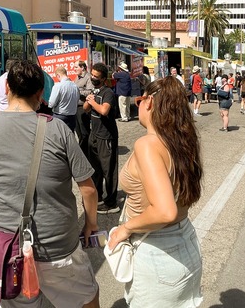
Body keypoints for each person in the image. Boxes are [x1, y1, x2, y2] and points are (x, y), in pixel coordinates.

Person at [0, 59, 101, 308]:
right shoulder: (59, 131)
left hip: (4, 249)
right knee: (87, 299)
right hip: (58, 247)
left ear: (7, 89)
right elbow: (88, 188)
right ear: (40, 93)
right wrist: (91, 224)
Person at [108, 76, 203, 307]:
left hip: (157, 250)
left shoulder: (148, 144)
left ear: (149, 102)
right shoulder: (182, 140)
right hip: (186, 242)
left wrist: (125, 228)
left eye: (139, 99)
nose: (138, 104)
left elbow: (164, 211)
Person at [85, 63, 121, 214]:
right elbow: (86, 109)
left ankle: (111, 203)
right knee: (95, 168)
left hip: (106, 137)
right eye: (92, 75)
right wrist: (88, 101)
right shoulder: (95, 90)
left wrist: (93, 102)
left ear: (103, 78)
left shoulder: (108, 93)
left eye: (96, 76)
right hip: (94, 135)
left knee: (109, 170)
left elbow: (104, 111)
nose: (93, 78)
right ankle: (98, 196)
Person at [48, 66, 79, 131]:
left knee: (58, 137)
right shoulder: (75, 86)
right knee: (70, 137)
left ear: (58, 75)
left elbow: (51, 104)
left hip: (60, 116)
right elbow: (77, 100)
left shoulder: (58, 86)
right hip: (72, 117)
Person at [75, 61, 94, 157]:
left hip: (83, 108)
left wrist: (78, 91)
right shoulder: (77, 78)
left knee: (84, 132)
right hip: (76, 108)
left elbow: (90, 92)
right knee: (79, 132)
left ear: (82, 68)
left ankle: (87, 152)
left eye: (76, 67)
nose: (74, 69)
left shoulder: (88, 78)